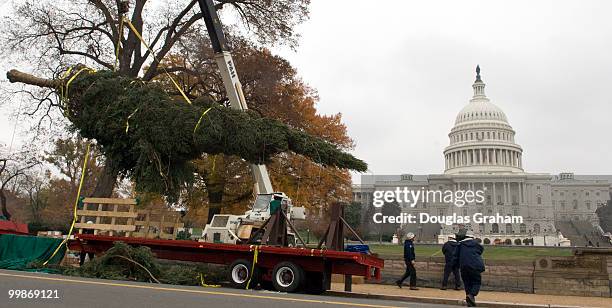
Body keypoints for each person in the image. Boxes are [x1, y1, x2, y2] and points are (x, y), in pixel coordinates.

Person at [452, 230, 485, 307]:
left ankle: (469, 299)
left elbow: (455, 257)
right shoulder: (476, 244)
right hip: (475, 266)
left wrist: (454, 266)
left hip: (464, 266)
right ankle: (471, 295)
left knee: (467, 283)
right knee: (476, 282)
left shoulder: (459, 245)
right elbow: (481, 250)